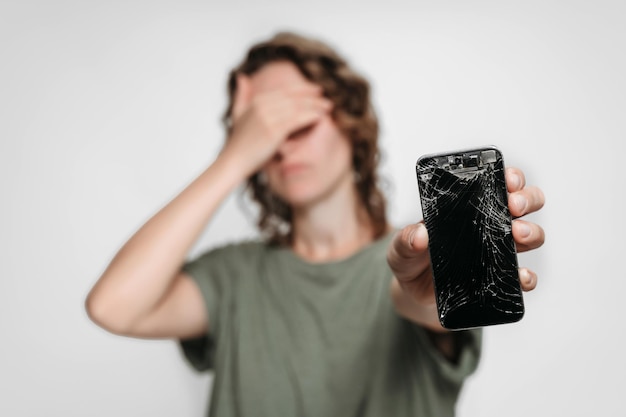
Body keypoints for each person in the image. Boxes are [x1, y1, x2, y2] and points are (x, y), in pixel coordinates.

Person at [85, 32, 545, 416]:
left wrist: (425, 289)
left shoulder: (422, 255)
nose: (279, 145)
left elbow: (417, 301)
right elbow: (114, 307)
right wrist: (234, 156)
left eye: (294, 122)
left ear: (348, 120)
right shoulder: (231, 277)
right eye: (258, 129)